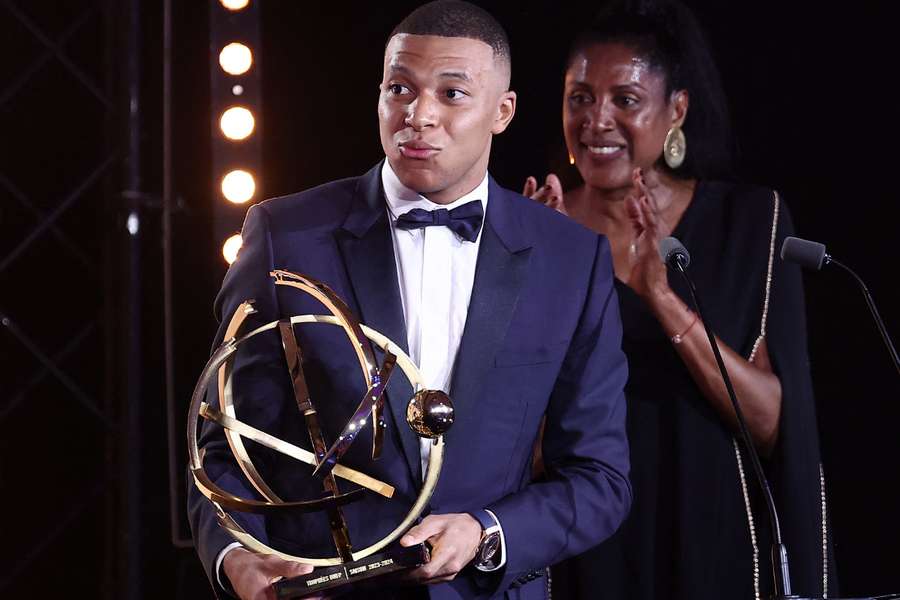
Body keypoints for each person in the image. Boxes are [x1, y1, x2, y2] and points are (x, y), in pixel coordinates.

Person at [189, 2, 632, 599]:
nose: (418, 115)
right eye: (400, 88)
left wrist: (486, 532)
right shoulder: (284, 235)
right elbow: (223, 441)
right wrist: (237, 559)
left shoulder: (571, 260)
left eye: (452, 94)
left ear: (503, 112)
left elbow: (600, 478)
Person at [524, 1, 834, 598]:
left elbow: (772, 425)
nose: (597, 121)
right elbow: (518, 446)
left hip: (714, 546)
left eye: (625, 100)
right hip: (585, 553)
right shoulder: (536, 231)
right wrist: (540, 291)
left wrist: (662, 301)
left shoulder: (750, 222)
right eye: (580, 98)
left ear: (676, 112)